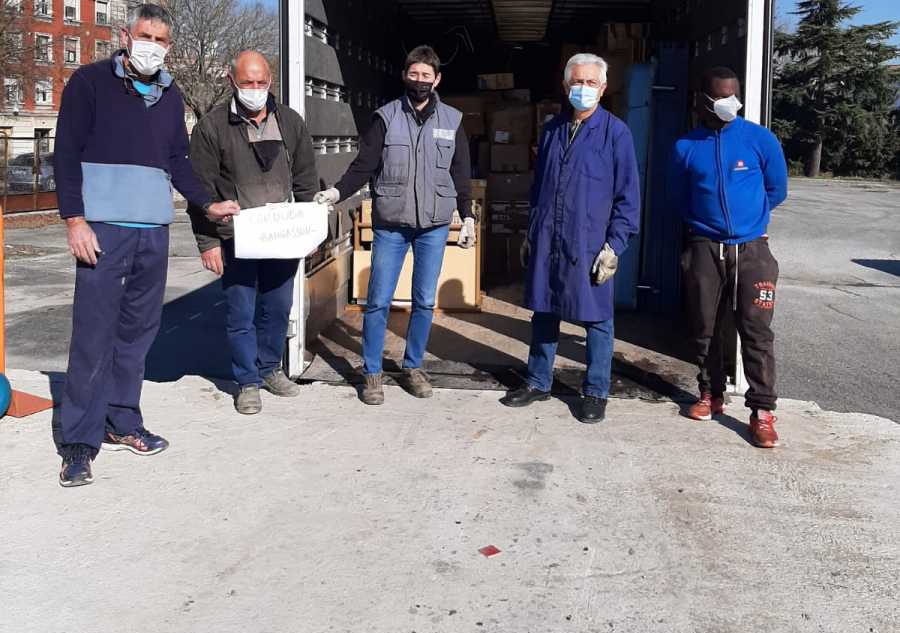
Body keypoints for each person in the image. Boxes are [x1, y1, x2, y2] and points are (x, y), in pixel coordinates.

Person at [53, 4, 240, 488]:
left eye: (160, 39)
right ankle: (79, 442)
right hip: (103, 229)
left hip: (153, 231)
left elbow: (178, 160)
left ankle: (122, 421)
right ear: (125, 35)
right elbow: (66, 154)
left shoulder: (170, 94)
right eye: (144, 35)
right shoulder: (90, 83)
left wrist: (207, 204)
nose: (151, 46)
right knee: (94, 335)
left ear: (169, 45)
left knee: (137, 335)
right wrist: (75, 220)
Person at [315, 45, 475, 405]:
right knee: (378, 300)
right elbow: (364, 164)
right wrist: (337, 192)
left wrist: (467, 216)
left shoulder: (452, 120)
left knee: (424, 300)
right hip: (391, 225)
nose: (419, 81)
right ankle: (372, 371)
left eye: (426, 75)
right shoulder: (385, 117)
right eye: (413, 74)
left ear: (437, 79)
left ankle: (413, 367)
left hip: (434, 225)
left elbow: (461, 173)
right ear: (404, 76)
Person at [502, 53, 640, 423]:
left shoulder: (616, 133)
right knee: (544, 311)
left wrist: (614, 246)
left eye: (591, 83)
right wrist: (531, 232)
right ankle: (538, 381)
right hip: (549, 237)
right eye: (577, 82)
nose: (583, 88)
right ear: (565, 86)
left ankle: (595, 391)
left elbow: (628, 197)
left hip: (589, 241)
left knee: (597, 320)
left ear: (603, 88)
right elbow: (539, 187)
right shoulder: (552, 130)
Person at [188, 51, 318, 415]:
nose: (255, 89)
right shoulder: (211, 127)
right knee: (240, 313)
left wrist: (309, 231)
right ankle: (247, 381)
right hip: (236, 238)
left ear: (271, 80)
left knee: (277, 308)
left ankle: (269, 368)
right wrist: (208, 242)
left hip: (282, 237)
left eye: (261, 82)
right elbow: (199, 190)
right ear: (232, 81)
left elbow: (306, 179)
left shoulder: (289, 122)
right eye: (247, 82)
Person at [668, 66, 788, 448]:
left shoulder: (760, 139)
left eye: (733, 96)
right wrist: (706, 227)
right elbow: (677, 197)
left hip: (753, 250)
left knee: (756, 330)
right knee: (705, 326)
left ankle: (762, 412)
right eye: (721, 97)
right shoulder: (686, 147)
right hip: (705, 247)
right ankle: (711, 394)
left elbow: (777, 189)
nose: (729, 103)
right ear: (702, 100)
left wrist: (749, 223)